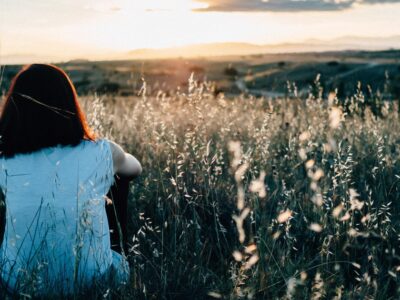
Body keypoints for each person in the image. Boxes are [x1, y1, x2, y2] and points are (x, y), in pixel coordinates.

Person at [0, 64, 142, 296]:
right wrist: (115, 159)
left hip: (18, 284)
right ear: (69, 104)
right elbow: (135, 169)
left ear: (16, 107)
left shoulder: (4, 159)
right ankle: (112, 256)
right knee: (118, 180)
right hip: (93, 281)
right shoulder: (102, 151)